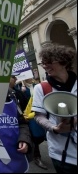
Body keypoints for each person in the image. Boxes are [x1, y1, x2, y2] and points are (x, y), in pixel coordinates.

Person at [32, 43, 77, 173]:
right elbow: (39, 116)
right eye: (43, 63)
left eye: (49, 62)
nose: (45, 66)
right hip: (61, 153)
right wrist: (54, 128)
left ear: (63, 62)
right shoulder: (41, 88)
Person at [17, 78, 48, 170]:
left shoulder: (37, 86)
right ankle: (36, 157)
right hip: (26, 115)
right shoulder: (19, 87)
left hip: (37, 114)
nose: (29, 78)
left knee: (41, 135)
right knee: (34, 136)